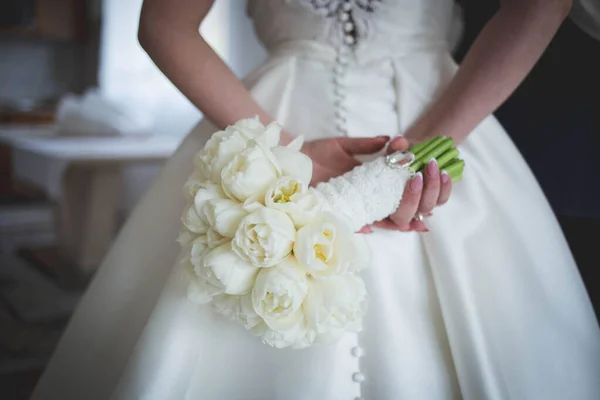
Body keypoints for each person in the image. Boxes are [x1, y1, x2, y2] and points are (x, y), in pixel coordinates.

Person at [33, 0, 600, 399]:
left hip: (447, 109)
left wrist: (422, 153)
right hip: (271, 118)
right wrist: (283, 153)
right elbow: (163, 23)